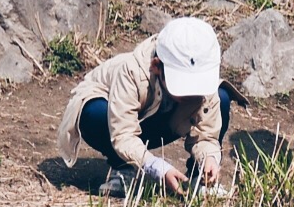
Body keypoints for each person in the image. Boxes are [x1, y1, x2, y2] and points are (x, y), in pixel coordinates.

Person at [54, 16, 236, 197]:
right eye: (184, 86)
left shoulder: (203, 75)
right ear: (157, 66)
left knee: (222, 97)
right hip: (116, 122)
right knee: (92, 112)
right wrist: (156, 167)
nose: (191, 93)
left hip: (160, 122)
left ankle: (200, 178)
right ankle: (123, 168)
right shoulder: (131, 71)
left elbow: (206, 134)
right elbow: (123, 133)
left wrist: (209, 159)